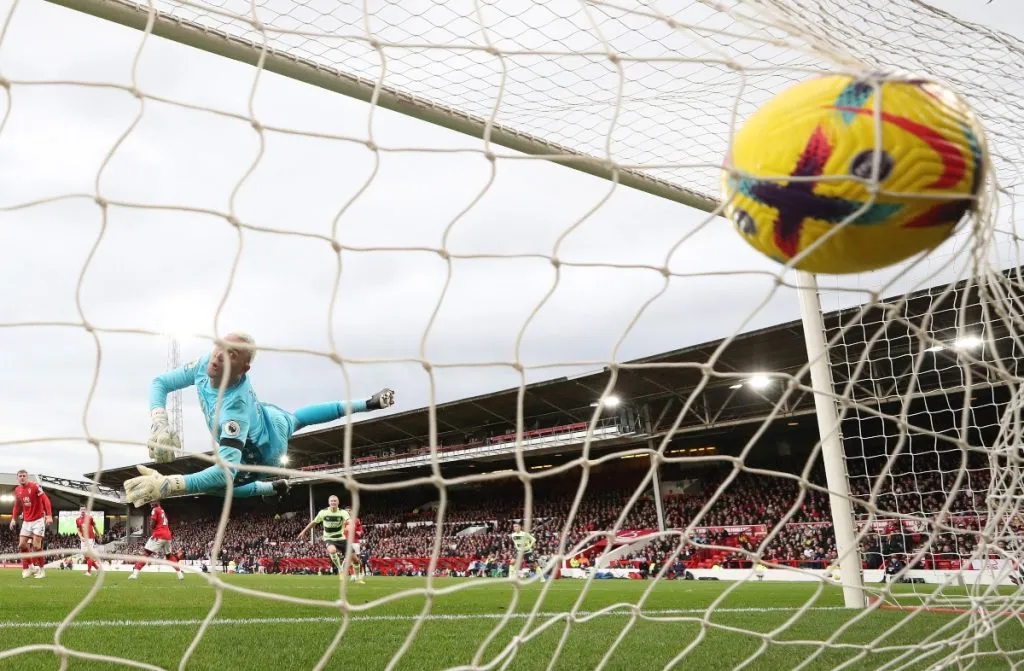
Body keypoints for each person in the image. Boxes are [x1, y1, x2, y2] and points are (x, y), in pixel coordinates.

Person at [123, 332, 395, 506]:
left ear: (244, 369)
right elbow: (160, 383)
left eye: (232, 354)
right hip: (267, 415)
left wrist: (171, 485)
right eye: (221, 345)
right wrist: (159, 420)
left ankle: (270, 487)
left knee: (220, 486)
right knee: (297, 418)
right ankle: (368, 403)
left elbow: (226, 471)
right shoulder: (206, 363)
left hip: (265, 452)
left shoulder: (234, 410)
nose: (219, 354)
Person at [297, 495, 354, 580]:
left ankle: (356, 575)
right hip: (329, 538)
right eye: (332, 501)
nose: (333, 502)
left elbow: (349, 521)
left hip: (341, 538)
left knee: (354, 558)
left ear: (338, 502)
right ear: (329, 502)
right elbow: (314, 522)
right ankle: (340, 569)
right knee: (332, 550)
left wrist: (350, 524)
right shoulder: (323, 512)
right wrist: (304, 531)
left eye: (335, 501)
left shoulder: (343, 512)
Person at [9, 469, 52, 579]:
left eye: (24, 475)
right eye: (20, 476)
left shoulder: (35, 486)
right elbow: (17, 505)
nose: (22, 477)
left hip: (38, 520)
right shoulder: (17, 490)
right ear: (17, 478)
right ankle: (32, 567)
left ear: (27, 477)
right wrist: (13, 519)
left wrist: (49, 515)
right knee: (22, 545)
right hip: (27, 521)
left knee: (37, 546)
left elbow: (45, 499)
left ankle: (42, 571)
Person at [129, 502, 184, 581]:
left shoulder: (155, 509)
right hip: (168, 535)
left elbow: (152, 523)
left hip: (159, 535)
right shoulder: (162, 510)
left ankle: (135, 573)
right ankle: (179, 573)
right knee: (169, 556)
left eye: (152, 502)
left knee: (146, 553)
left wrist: (151, 525)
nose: (151, 504)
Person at [76, 505, 101, 576]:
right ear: (80, 510)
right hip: (83, 539)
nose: (83, 511)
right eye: (81, 509)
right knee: (86, 556)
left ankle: (89, 572)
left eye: (84, 509)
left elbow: (95, 526)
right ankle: (98, 568)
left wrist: (99, 535)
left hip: (90, 538)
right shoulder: (77, 520)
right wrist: (81, 537)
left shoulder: (89, 518)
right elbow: (78, 530)